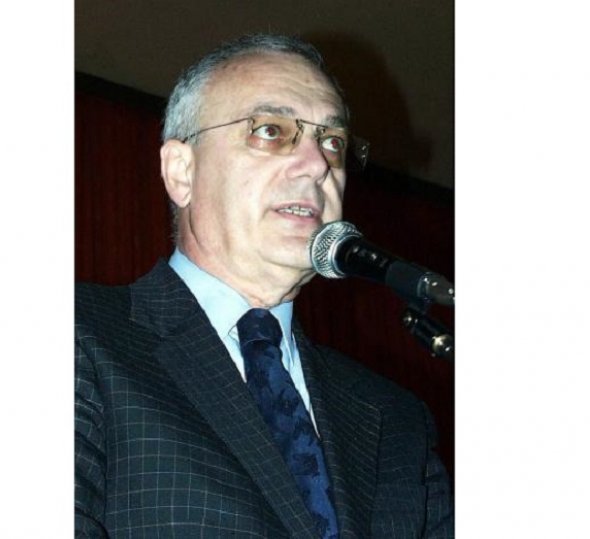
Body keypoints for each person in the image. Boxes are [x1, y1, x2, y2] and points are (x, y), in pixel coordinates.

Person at [75, 33, 454, 538]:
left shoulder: (399, 420)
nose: (318, 164)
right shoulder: (80, 338)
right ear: (181, 172)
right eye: (272, 131)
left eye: (333, 142)